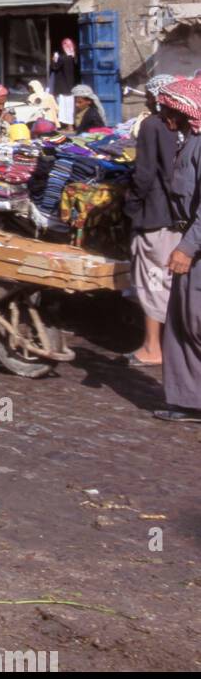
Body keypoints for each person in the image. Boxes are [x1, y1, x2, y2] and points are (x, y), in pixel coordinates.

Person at [125, 74, 182, 368]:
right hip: (181, 219)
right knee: (173, 282)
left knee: (153, 281)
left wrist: (131, 206)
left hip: (156, 216)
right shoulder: (189, 127)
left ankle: (152, 347)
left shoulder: (152, 125)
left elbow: (144, 174)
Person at [156, 78, 201, 422]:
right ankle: (190, 401)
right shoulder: (190, 143)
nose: (164, 117)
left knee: (196, 321)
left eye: (168, 110)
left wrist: (187, 248)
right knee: (182, 322)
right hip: (190, 240)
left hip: (196, 246)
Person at [49, 37, 78, 125]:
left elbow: (54, 67)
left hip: (63, 87)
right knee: (70, 106)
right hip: (71, 86)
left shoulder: (62, 58)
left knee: (63, 106)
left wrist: (54, 59)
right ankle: (70, 125)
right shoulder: (74, 57)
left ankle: (66, 125)